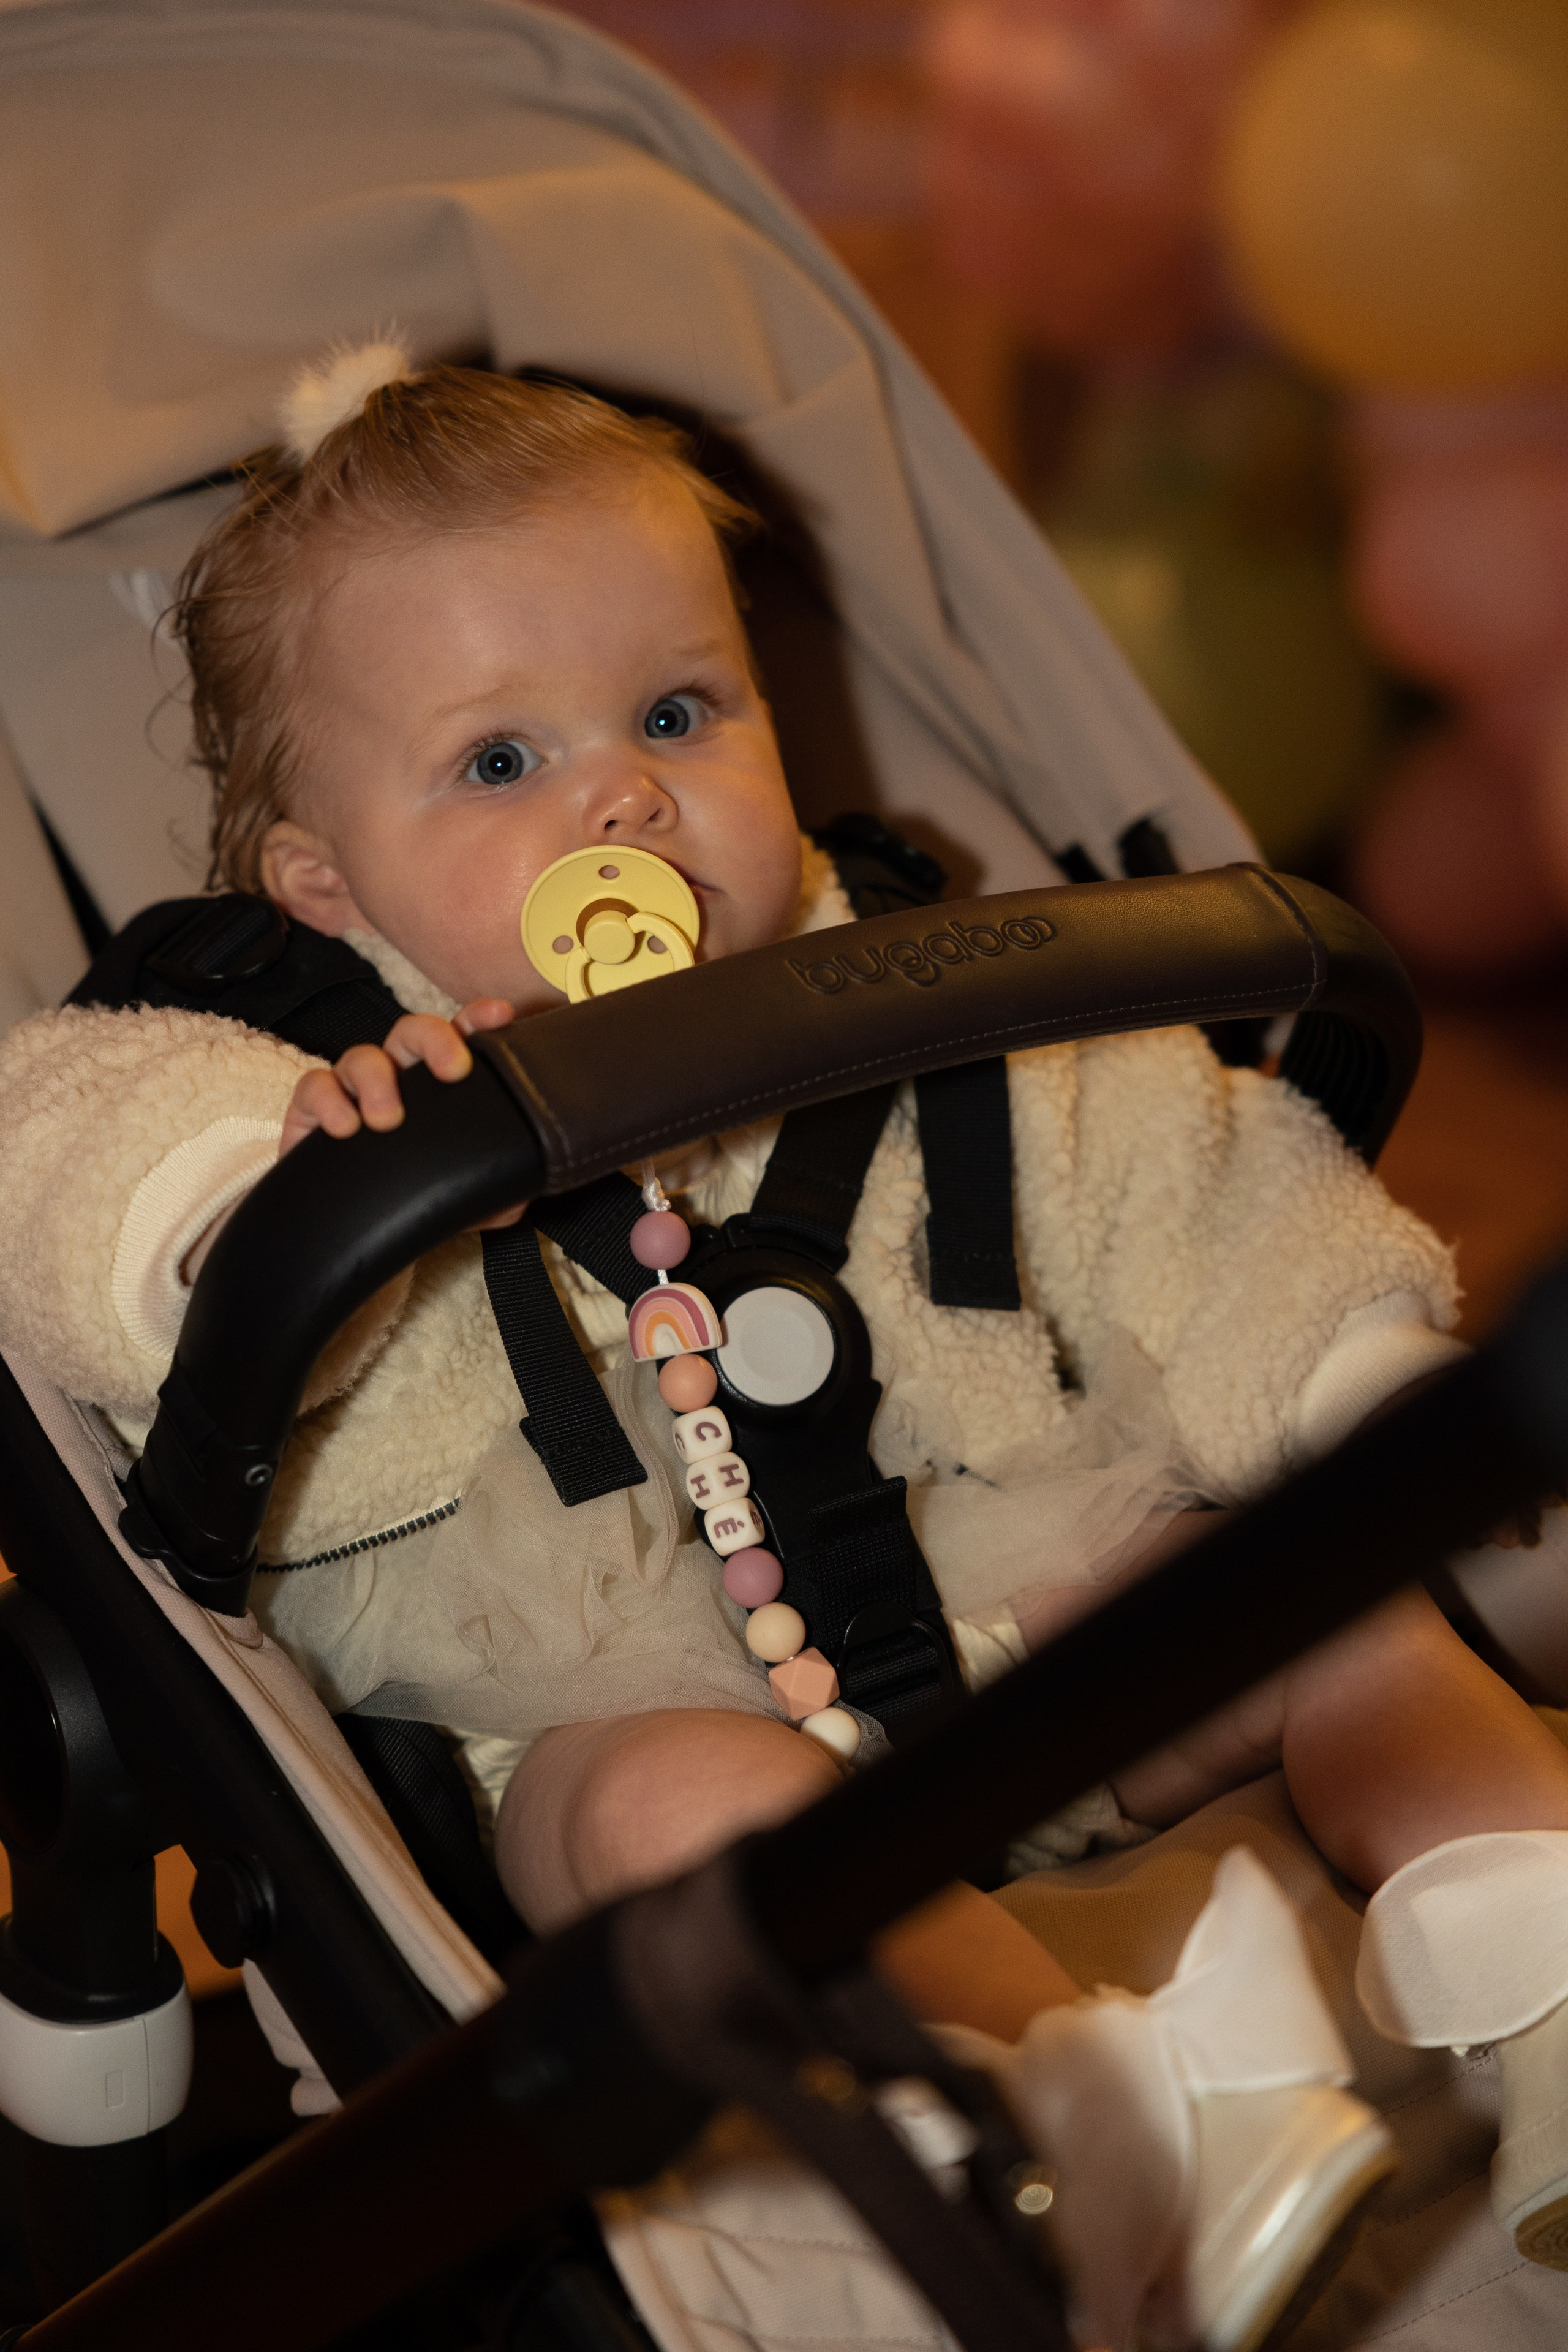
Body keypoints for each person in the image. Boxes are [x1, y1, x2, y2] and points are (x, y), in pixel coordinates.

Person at [1, 344, 1565, 2342]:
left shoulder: (917, 984)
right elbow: (54, 1152)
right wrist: (234, 1205)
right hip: (601, 1709)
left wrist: (1358, 1389)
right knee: (665, 1817)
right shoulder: (285, 1068)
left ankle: (1531, 1939)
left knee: (1322, 1605)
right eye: (502, 761)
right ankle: (1120, 2101)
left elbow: (1195, 1177)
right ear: (323, 874)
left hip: (1033, 1638)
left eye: (678, 709)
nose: (627, 793)